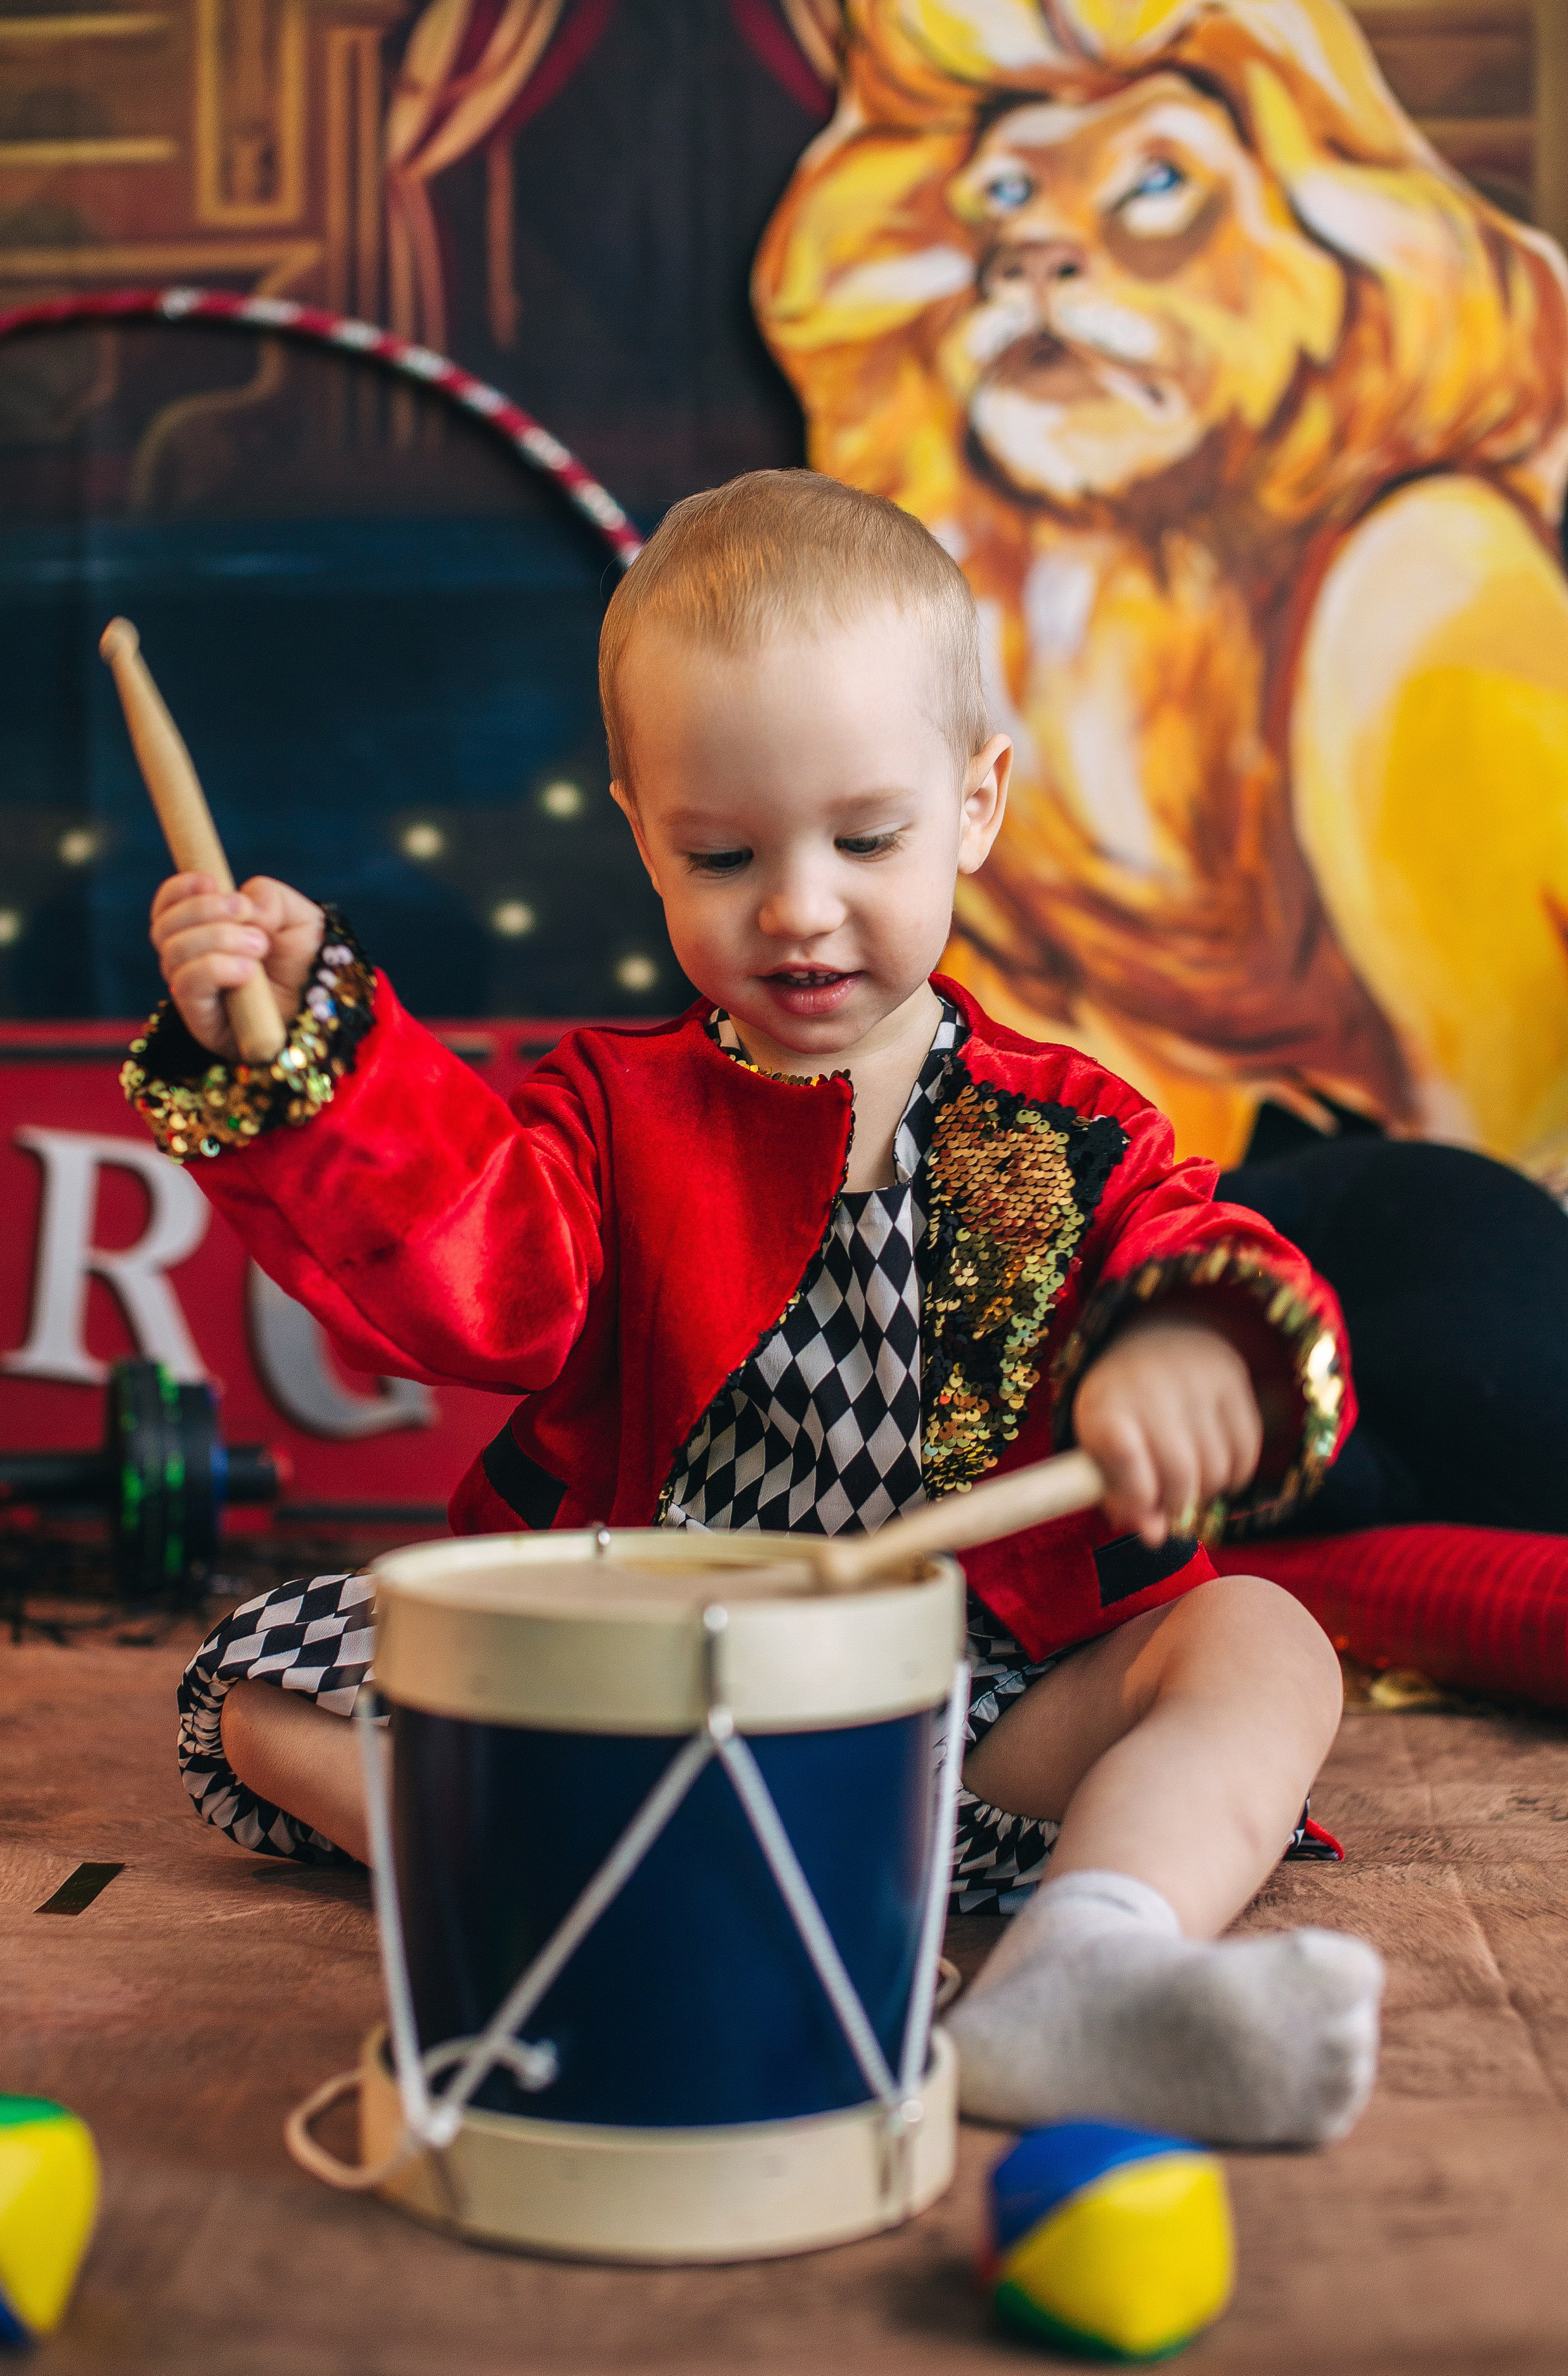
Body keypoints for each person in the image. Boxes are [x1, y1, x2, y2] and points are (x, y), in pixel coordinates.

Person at [127, 469, 1382, 2148]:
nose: (798, 905)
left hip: (971, 1703)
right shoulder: (608, 1109)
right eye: (724, 853)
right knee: (258, 1689)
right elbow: (480, 1284)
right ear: (641, 828)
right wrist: (302, 1062)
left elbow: (1203, 1245)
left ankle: (1085, 1961)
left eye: (866, 839)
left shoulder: (1063, 1126)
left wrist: (1187, 1347)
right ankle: (599, 1880)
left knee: (1262, 1643)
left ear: (978, 803)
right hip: (651, 1686)